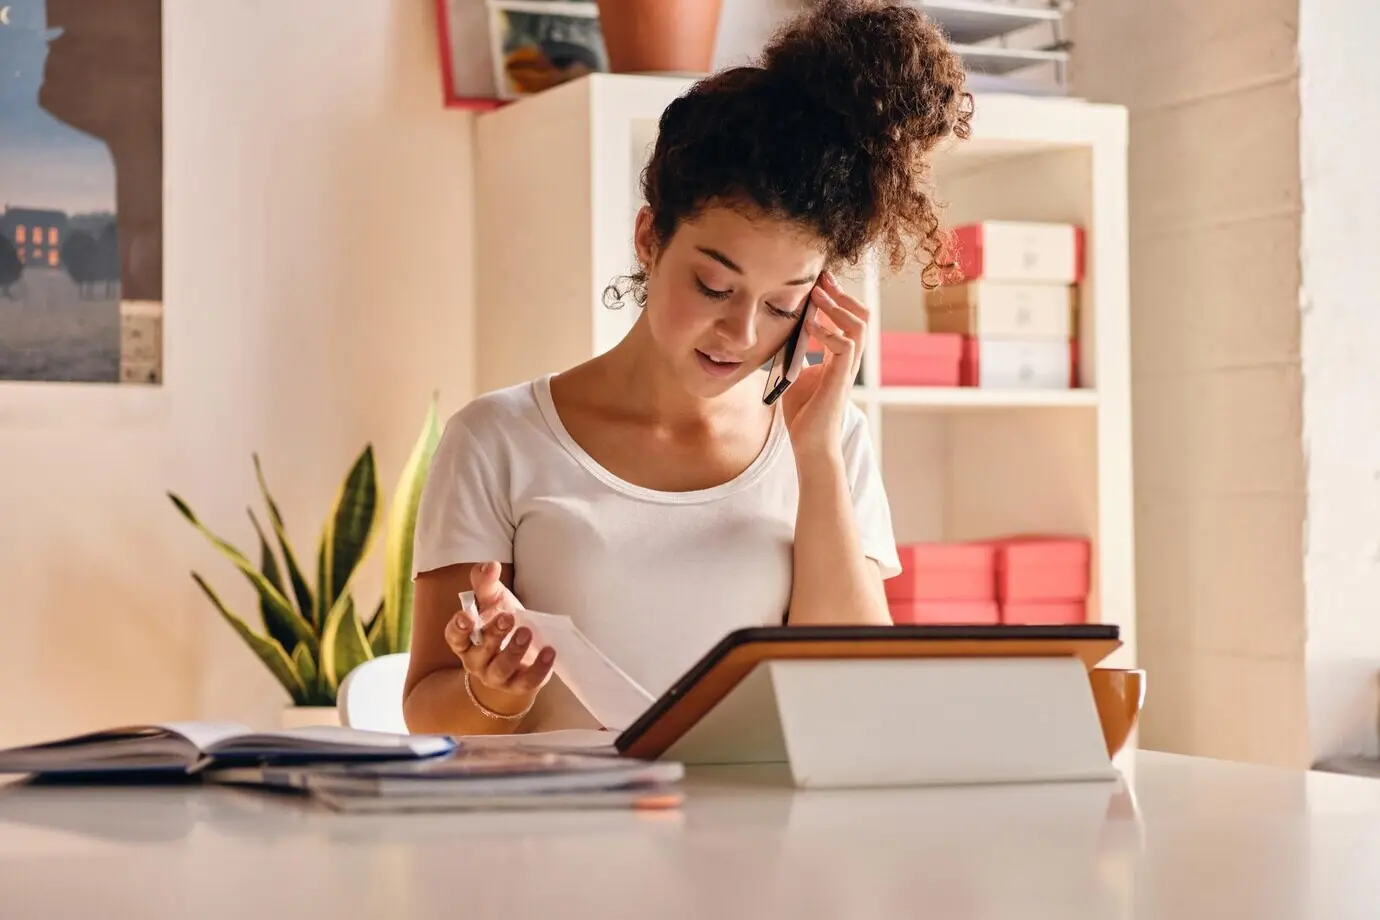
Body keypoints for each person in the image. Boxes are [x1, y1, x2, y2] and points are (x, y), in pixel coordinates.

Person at [403, 0, 973, 736]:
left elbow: (856, 703)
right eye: (713, 285)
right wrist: (495, 692)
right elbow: (427, 714)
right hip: (562, 811)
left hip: (753, 813)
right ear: (650, 238)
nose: (742, 332)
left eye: (783, 303)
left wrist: (816, 456)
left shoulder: (831, 443)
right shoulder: (497, 440)